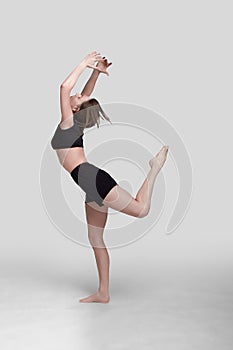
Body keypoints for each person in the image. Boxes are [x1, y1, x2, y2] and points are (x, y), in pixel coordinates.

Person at [51, 51, 169, 303]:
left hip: (92, 177)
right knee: (95, 237)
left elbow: (65, 87)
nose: (78, 94)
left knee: (141, 210)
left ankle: (154, 167)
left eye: (79, 97)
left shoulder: (68, 123)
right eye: (80, 95)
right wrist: (96, 72)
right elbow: (83, 93)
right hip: (87, 184)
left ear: (73, 108)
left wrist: (83, 63)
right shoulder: (76, 122)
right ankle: (103, 292)